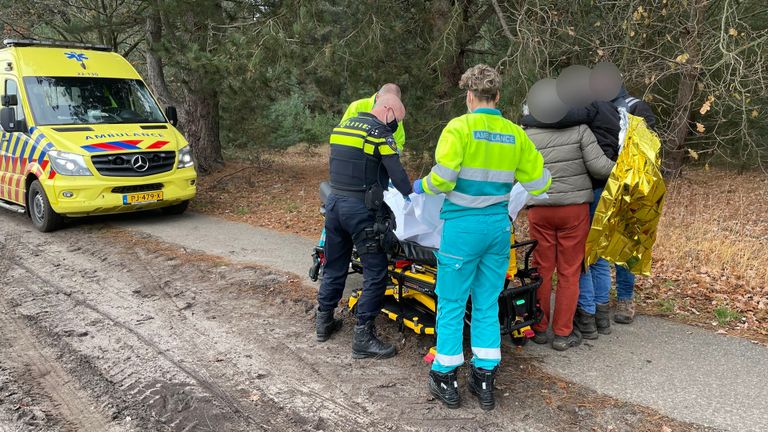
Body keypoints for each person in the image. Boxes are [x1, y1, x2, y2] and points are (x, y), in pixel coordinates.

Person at [412, 64, 550, 410]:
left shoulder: (459, 127)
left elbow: (442, 179)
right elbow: (540, 183)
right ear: (498, 96)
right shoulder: (515, 134)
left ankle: (445, 375)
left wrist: (421, 186)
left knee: (452, 302)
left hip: (463, 229)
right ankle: (484, 377)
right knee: (487, 303)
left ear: (469, 96)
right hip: (497, 229)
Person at [315, 94, 412, 359]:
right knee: (376, 271)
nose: (396, 126)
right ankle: (363, 337)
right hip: (362, 211)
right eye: (397, 120)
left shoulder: (342, 128)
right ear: (389, 109)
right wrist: (413, 193)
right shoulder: (380, 134)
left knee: (334, 264)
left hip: (334, 205)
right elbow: (399, 178)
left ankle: (323, 322)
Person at [519, 103, 616, 350]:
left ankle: (539, 328)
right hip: (573, 210)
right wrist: (624, 166)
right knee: (569, 272)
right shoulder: (581, 130)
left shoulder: (527, 134)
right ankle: (563, 333)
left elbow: (516, 173)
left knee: (542, 270)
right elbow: (599, 167)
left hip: (539, 207)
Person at [341, 83, 406, 153]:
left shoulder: (395, 114)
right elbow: (342, 134)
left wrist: (393, 153)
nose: (391, 104)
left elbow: (399, 142)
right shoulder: (357, 106)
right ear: (378, 97)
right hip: (354, 155)